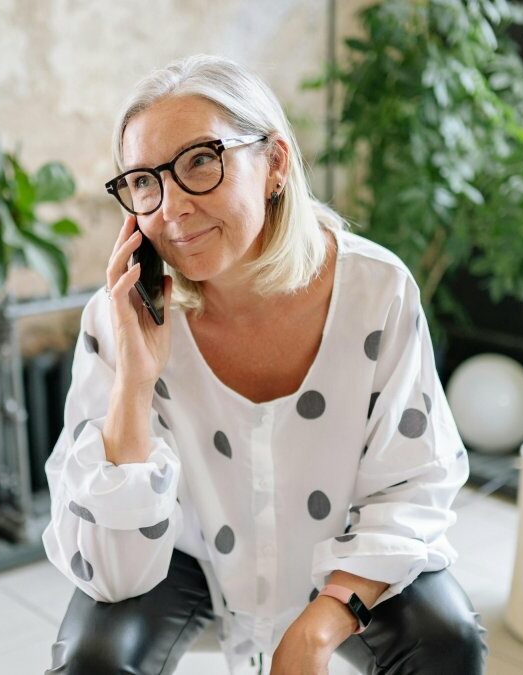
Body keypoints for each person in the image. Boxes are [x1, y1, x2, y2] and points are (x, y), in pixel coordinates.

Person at [42, 54, 488, 675]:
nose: (170, 208)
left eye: (200, 160)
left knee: (447, 640)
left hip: (343, 540)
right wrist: (136, 382)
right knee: (92, 660)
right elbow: (112, 575)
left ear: (275, 162)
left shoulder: (376, 291)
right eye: (145, 180)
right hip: (184, 548)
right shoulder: (120, 318)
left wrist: (318, 628)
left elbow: (414, 482)